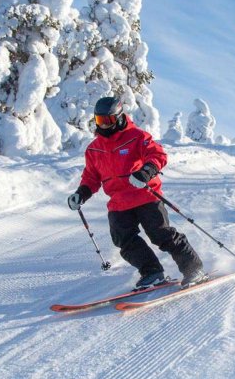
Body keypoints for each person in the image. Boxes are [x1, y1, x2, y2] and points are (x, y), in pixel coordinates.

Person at [67, 96, 208, 289]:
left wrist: (145, 172)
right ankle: (152, 273)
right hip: (118, 202)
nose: (104, 126)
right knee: (123, 240)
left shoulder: (136, 136)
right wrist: (81, 194)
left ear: (118, 117)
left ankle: (193, 269)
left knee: (160, 234)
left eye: (108, 120)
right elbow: (91, 177)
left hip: (145, 195)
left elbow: (157, 155)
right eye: (100, 121)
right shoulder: (94, 149)